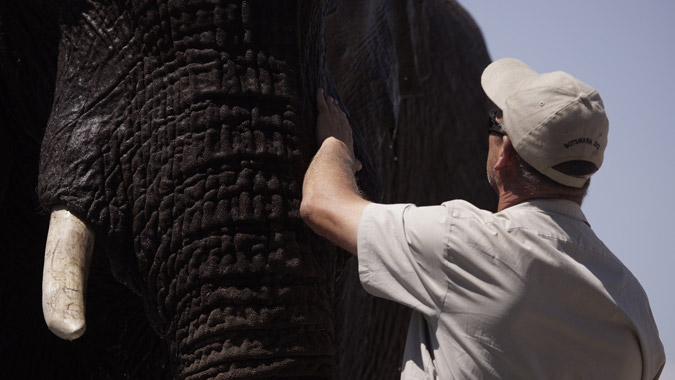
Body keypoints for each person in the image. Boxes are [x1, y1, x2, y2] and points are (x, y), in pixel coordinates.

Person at [300, 58, 666, 379]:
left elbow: (323, 205)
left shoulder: (461, 242)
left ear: (504, 151)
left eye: (494, 120)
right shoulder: (634, 306)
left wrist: (337, 143)